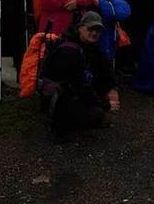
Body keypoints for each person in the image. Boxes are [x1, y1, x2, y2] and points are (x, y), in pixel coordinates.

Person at [39, 12, 119, 140]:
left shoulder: (88, 45)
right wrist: (105, 105)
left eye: (98, 30)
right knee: (97, 115)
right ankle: (62, 124)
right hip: (59, 100)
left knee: (98, 108)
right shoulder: (69, 52)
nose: (94, 33)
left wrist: (111, 88)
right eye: (90, 29)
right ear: (80, 27)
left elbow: (105, 69)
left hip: (70, 93)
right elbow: (80, 87)